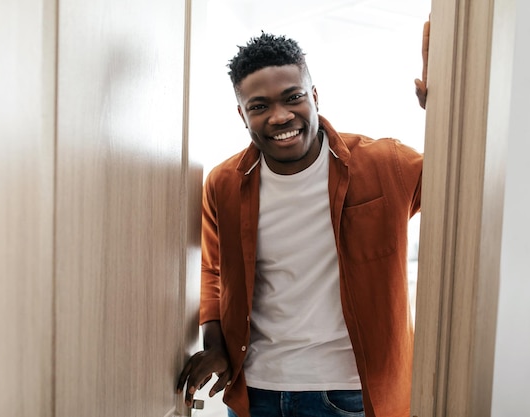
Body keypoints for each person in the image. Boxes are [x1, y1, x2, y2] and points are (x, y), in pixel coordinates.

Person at [178, 22, 429, 417]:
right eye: (259, 106)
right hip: (256, 391)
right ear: (242, 115)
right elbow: (212, 271)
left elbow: (461, 188)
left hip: (350, 394)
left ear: (314, 96)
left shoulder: (385, 164)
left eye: (292, 97)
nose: (279, 116)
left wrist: (446, 109)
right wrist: (216, 348)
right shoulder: (224, 183)